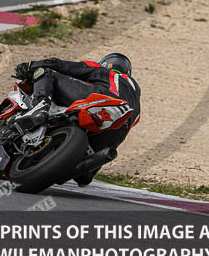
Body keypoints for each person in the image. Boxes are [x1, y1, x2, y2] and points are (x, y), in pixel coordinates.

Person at [12, 53, 141, 186]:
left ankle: (39, 107)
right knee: (84, 178)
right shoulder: (136, 95)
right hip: (120, 126)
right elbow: (134, 121)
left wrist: (31, 66)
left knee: (46, 73)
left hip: (102, 98)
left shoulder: (104, 71)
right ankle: (85, 167)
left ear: (105, 63)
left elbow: (63, 65)